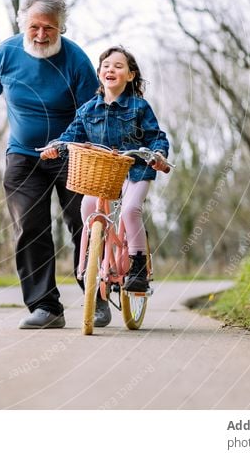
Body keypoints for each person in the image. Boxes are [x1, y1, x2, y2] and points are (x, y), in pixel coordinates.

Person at [0, 0, 99, 330]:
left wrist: (94, 149)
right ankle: (46, 307)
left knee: (82, 223)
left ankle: (95, 296)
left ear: (61, 28)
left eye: (49, 29)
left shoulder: (76, 61)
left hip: (72, 154)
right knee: (31, 227)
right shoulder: (6, 53)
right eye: (35, 27)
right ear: (23, 24)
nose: (41, 35)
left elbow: (93, 114)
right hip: (24, 156)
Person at [40, 45, 170, 327]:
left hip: (135, 168)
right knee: (87, 206)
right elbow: (71, 135)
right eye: (106, 65)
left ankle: (136, 266)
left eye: (119, 66)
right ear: (99, 73)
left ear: (131, 75)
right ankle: (95, 255)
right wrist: (55, 147)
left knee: (130, 211)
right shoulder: (88, 109)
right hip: (103, 172)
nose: (111, 69)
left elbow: (156, 136)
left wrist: (158, 156)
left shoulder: (139, 106)